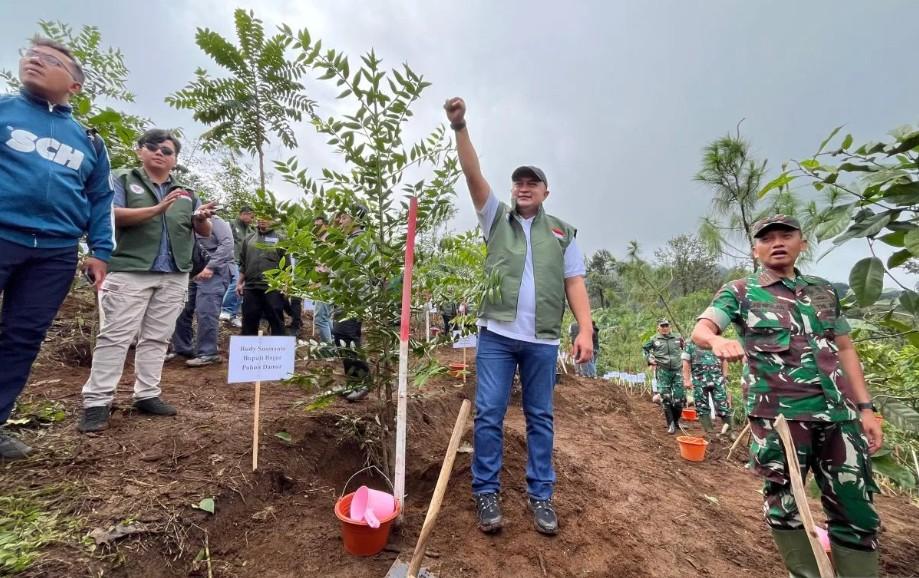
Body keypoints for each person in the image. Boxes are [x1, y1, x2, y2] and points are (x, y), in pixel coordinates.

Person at [691, 215, 882, 577]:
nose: (777, 242)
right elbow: (702, 328)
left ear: (801, 243)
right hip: (781, 418)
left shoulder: (824, 291)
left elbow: (844, 347)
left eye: (786, 235)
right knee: (786, 505)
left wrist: (866, 408)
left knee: (856, 508)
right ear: (755, 250)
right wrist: (717, 340)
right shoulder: (741, 292)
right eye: (767, 238)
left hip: (840, 416)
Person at [445, 97, 594, 536]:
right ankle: (486, 491)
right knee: (489, 413)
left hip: (543, 341)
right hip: (496, 336)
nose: (524, 187)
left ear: (546, 191)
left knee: (540, 417)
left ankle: (541, 495)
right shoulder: (496, 220)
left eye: (533, 183)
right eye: (518, 182)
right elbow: (473, 175)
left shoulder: (563, 233)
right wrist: (460, 127)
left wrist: (584, 329)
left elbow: (575, 284)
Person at [0, 37, 114, 458]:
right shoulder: (5, 111)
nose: (34, 61)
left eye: (49, 60)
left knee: (23, 335)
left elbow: (100, 198)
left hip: (54, 250)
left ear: (75, 84)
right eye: (30, 55)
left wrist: (100, 250)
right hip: (3, 234)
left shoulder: (88, 140)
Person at [79, 129, 217, 433]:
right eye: (153, 147)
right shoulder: (122, 179)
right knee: (116, 336)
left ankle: (147, 394)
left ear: (175, 159)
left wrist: (200, 217)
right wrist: (157, 209)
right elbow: (108, 215)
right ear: (139, 150)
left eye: (167, 151)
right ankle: (97, 401)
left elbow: (204, 232)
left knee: (157, 337)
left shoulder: (186, 193)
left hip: (174, 273)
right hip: (130, 269)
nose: (160, 153)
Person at [170, 214, 234, 366]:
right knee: (181, 308)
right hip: (192, 270)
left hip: (215, 271)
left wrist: (210, 266)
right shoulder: (184, 220)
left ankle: (208, 352)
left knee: (206, 310)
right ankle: (182, 348)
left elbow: (227, 244)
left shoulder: (216, 222)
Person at [331, 206, 371, 402]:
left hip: (354, 299)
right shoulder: (347, 241)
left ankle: (363, 381)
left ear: (356, 219)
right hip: (343, 297)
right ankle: (354, 381)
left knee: (347, 335)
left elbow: (362, 272)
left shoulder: (362, 240)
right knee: (340, 336)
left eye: (344, 217)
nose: (340, 221)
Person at [236, 216, 287, 336]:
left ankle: (278, 351)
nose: (261, 220)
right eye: (259, 217)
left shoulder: (280, 239)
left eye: (266, 217)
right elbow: (243, 263)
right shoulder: (248, 239)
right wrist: (239, 283)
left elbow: (286, 266)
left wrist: (286, 286)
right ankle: (248, 351)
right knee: (248, 321)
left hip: (273, 288)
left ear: (273, 220)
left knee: (276, 320)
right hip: (251, 287)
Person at [643, 319, 685, 434]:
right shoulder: (654, 339)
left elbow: (686, 348)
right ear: (658, 328)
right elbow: (645, 349)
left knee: (679, 399)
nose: (665, 328)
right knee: (665, 397)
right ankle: (670, 424)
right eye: (662, 326)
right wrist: (650, 359)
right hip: (663, 371)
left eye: (666, 326)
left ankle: (676, 421)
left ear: (670, 327)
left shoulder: (677, 337)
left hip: (677, 370)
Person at [681, 340, 731, 434]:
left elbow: (724, 359)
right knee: (702, 406)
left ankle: (730, 431)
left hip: (717, 378)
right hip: (699, 379)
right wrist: (686, 380)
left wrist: (725, 375)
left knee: (723, 404)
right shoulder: (690, 343)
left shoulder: (717, 341)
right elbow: (686, 362)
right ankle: (709, 432)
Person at [220, 206, 254, 328]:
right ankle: (226, 310)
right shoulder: (231, 224)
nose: (252, 219)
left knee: (242, 287)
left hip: (244, 263)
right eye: (251, 216)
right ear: (243, 214)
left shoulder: (250, 230)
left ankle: (234, 315)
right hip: (231, 259)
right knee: (235, 283)